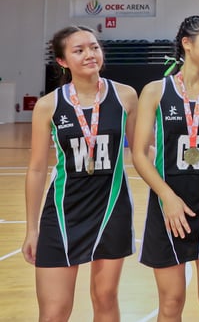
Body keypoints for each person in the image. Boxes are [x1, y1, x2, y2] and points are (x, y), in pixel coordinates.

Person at [23, 26, 138, 322]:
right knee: (55, 310)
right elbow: (36, 169)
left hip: (111, 208)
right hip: (63, 211)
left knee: (105, 299)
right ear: (62, 61)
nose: (90, 54)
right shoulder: (48, 105)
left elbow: (142, 153)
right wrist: (32, 229)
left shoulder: (125, 96)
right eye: (79, 50)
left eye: (94, 47)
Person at [133, 15, 199, 321]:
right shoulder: (155, 91)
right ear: (187, 44)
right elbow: (140, 154)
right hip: (167, 208)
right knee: (171, 302)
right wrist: (167, 198)